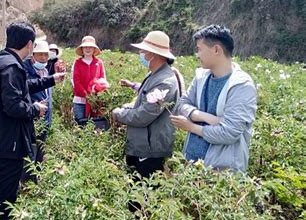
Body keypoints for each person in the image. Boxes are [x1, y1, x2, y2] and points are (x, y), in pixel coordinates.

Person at [0, 21, 65, 220]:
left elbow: (23, 88)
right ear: (29, 44)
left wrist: (50, 80)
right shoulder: (11, 67)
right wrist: (35, 109)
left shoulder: (5, 62)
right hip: (7, 143)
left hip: (2, 141)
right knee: (4, 197)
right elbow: (14, 106)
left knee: (4, 194)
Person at [170, 25, 257, 173]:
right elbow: (182, 104)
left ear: (216, 50)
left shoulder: (241, 86)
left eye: (199, 49)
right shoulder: (201, 77)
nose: (197, 55)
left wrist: (191, 127)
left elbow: (229, 133)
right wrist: (207, 117)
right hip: (190, 164)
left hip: (221, 173)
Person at [112, 31, 180, 180]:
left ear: (153, 54)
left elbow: (144, 115)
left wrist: (119, 113)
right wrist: (129, 106)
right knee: (134, 192)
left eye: (143, 51)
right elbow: (143, 102)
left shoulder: (165, 81)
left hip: (150, 149)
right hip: (141, 145)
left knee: (144, 195)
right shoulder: (154, 75)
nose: (140, 53)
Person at [22, 40, 53, 182]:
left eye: (46, 55)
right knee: (29, 150)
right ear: (32, 55)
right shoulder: (24, 70)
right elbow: (22, 93)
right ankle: (27, 181)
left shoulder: (45, 70)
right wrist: (34, 105)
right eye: (40, 54)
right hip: (31, 116)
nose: (43, 58)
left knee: (40, 148)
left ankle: (36, 179)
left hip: (45, 118)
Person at [71, 36, 106, 124]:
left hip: (95, 101)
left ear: (94, 49)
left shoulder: (99, 63)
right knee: (81, 124)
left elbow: (103, 80)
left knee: (96, 125)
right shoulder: (77, 63)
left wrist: (96, 94)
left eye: (90, 47)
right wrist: (87, 95)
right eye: (85, 47)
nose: (88, 49)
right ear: (82, 49)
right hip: (80, 100)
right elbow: (76, 82)